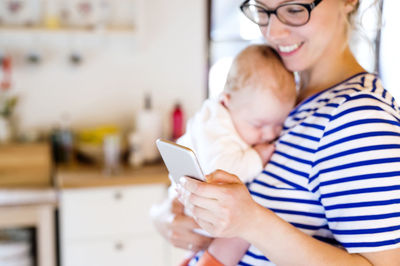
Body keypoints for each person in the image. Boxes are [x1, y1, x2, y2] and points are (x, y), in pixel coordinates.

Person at [153, 0, 400, 265]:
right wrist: (165, 216)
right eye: (262, 10)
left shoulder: (360, 121)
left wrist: (252, 222)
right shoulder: (278, 99)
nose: (273, 32)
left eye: (294, 9)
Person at [175, 44, 296, 265]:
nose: (269, 134)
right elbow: (223, 170)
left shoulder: (229, 115)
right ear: (227, 101)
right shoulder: (216, 128)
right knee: (240, 234)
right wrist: (256, 158)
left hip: (197, 204)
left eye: (279, 124)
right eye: (258, 125)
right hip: (194, 204)